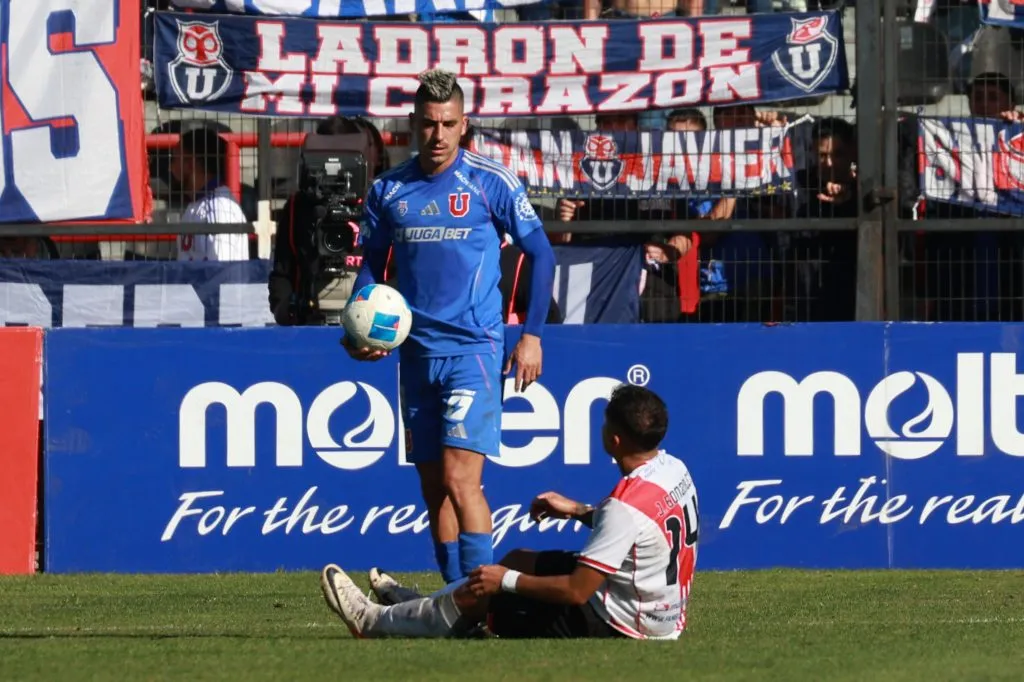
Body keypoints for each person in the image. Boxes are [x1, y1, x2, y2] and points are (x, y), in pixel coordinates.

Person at [344, 69, 557, 584]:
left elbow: (542, 253)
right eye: (428, 124)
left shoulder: (490, 181)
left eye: (447, 124)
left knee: (463, 479)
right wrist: (359, 325)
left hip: (474, 350)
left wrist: (531, 335)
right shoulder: (389, 190)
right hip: (416, 353)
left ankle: (482, 601)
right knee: (434, 487)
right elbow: (371, 264)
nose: (437, 135)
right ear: (412, 124)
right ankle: (458, 597)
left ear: (464, 125)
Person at [320, 384, 699, 640]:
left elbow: (576, 591)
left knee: (488, 591)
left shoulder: (623, 507)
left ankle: (372, 622)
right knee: (518, 558)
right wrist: (577, 511)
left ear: (613, 440)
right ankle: (423, 608)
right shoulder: (673, 468)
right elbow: (641, 527)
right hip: (649, 601)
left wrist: (507, 581)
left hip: (622, 623)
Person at [171, 128, 250, 262]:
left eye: (175, 159)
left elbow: (221, 269)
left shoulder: (220, 207)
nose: (171, 168)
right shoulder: (195, 206)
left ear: (191, 164)